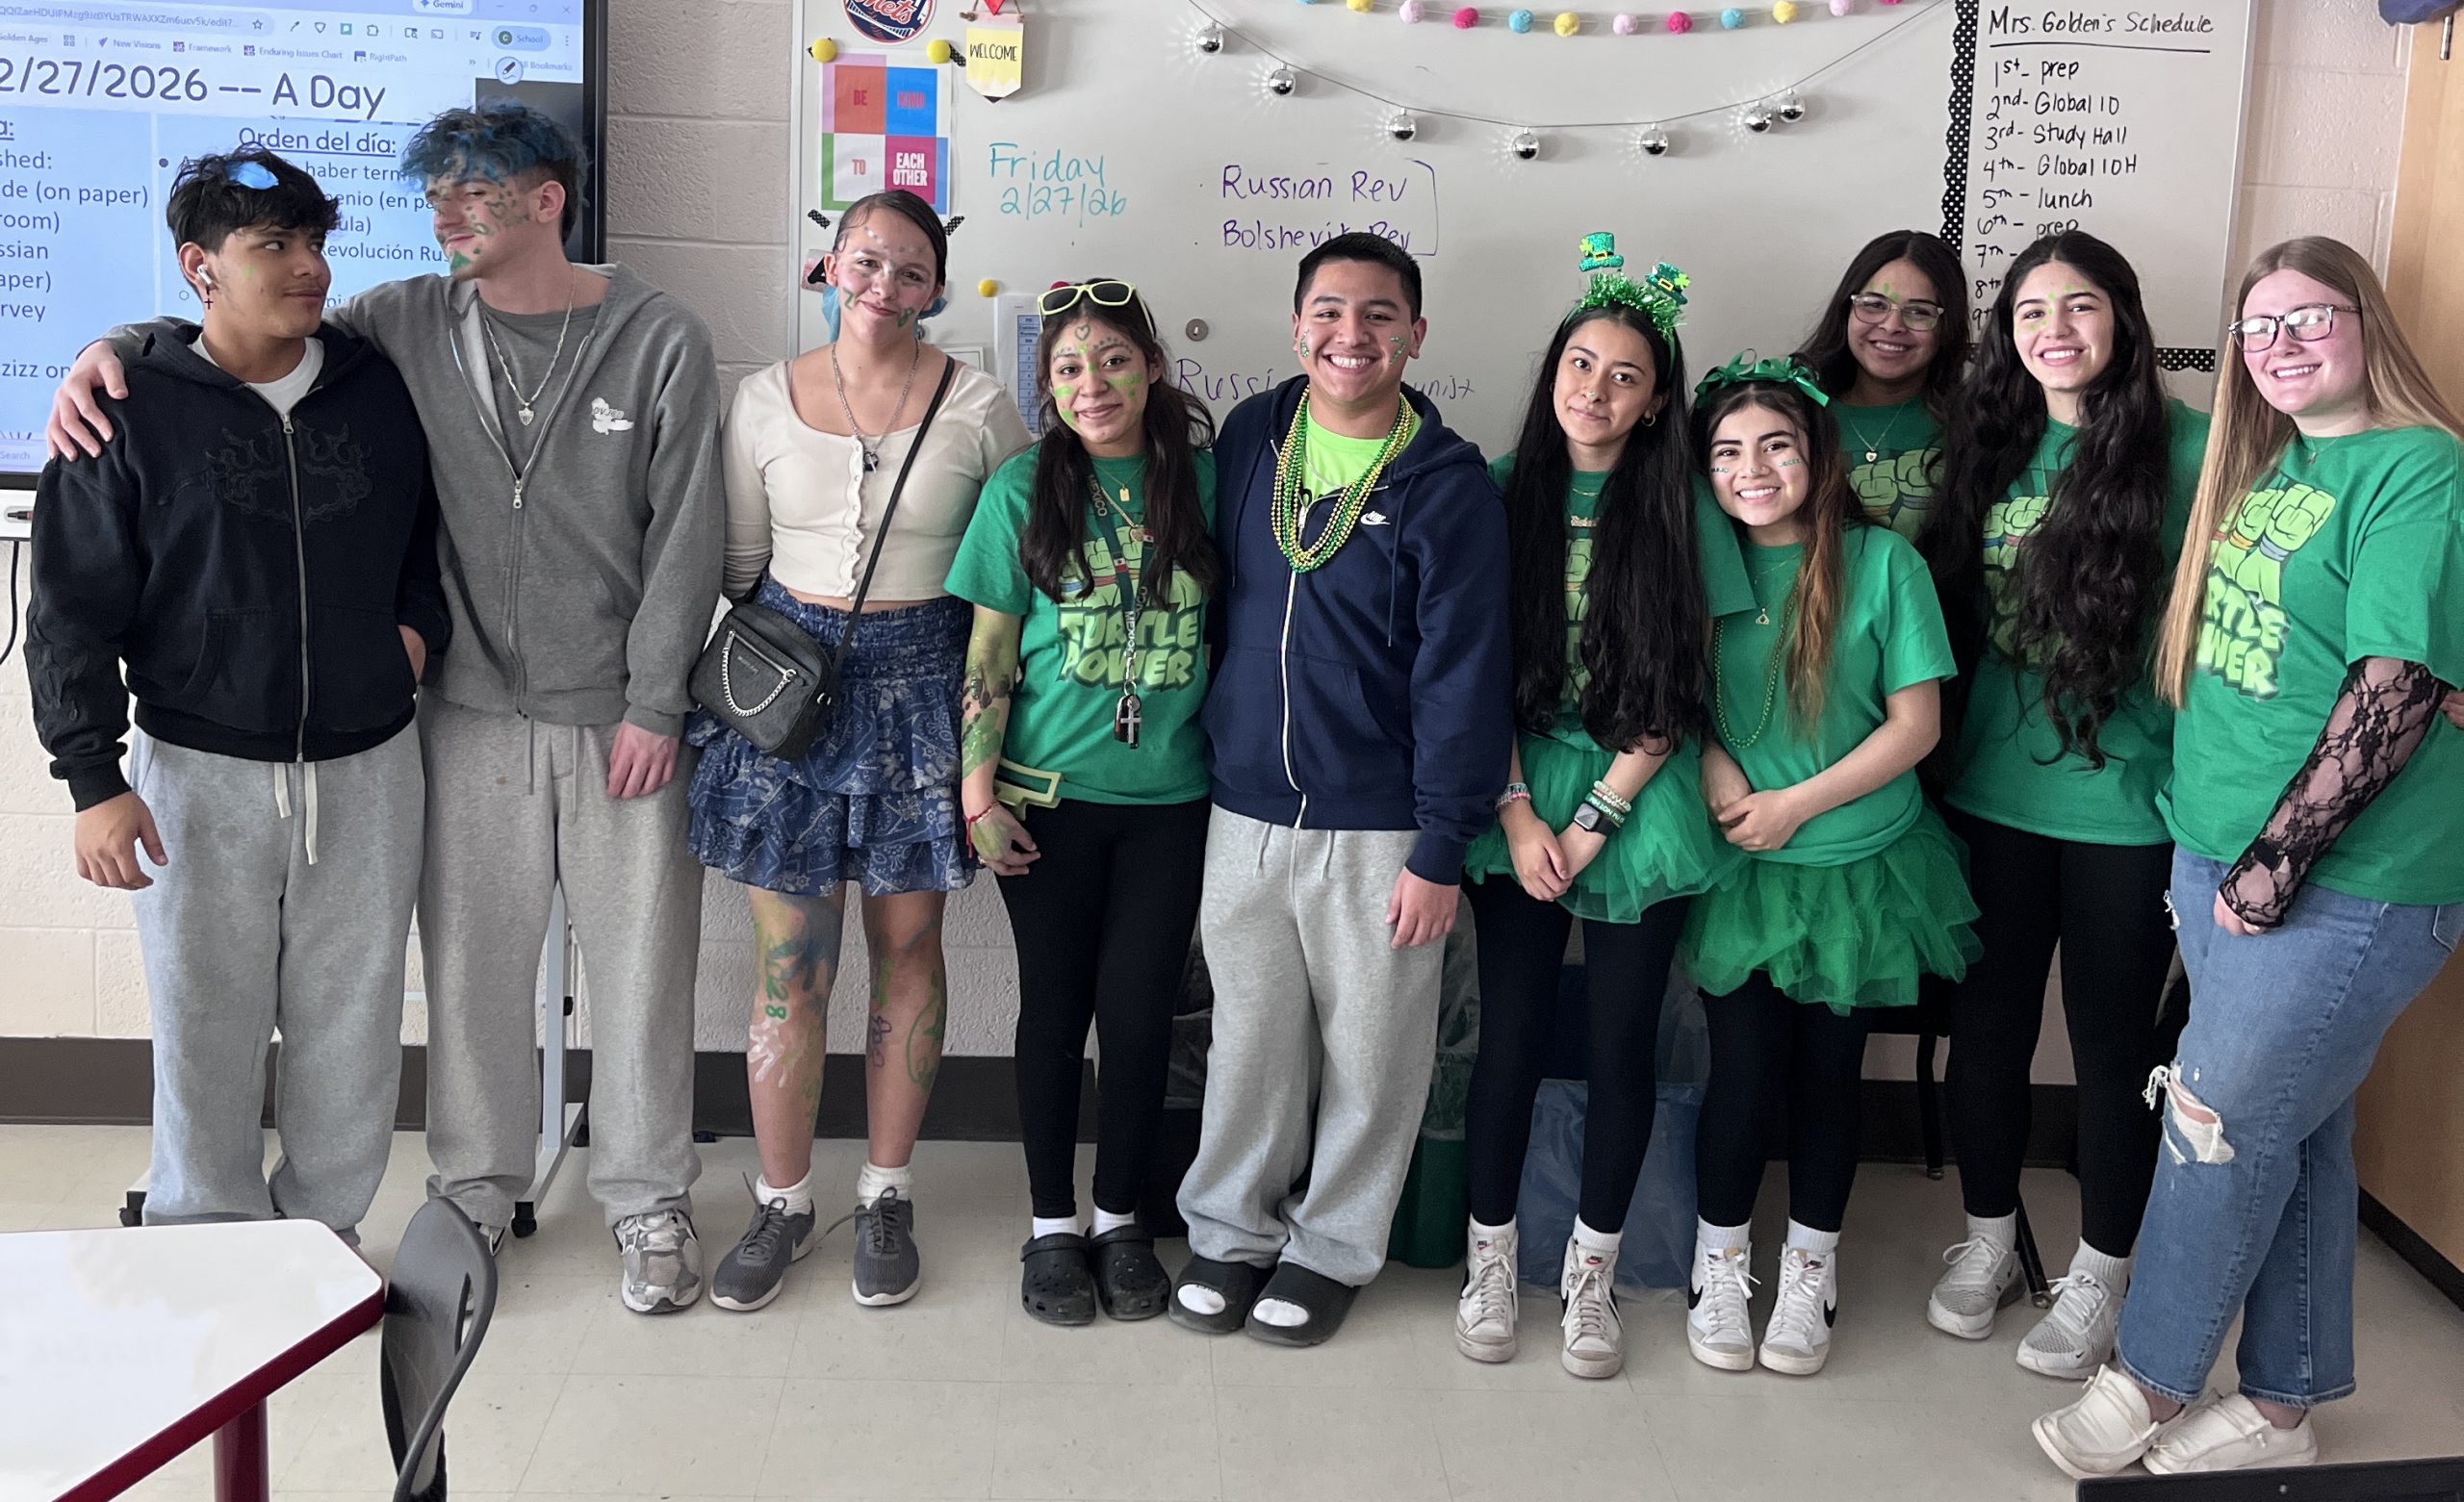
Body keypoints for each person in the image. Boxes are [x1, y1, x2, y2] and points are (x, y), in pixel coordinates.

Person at [50, 101, 726, 1312]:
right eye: (434, 198)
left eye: (472, 192)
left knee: (608, 977)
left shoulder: (640, 337)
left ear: (545, 198)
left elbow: (687, 536)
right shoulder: (398, 324)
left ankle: (641, 1200)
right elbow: (211, 343)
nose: (445, 216)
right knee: (458, 980)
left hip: (582, 722)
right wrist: (103, 346)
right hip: (420, 725)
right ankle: (461, 1194)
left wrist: (654, 699)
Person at [2033, 238, 2464, 1478]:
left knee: (2214, 1126)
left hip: (2339, 883)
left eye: (2306, 319)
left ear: (2366, 322)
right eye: (2256, 330)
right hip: (2214, 854)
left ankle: (2151, 1377)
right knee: (2298, 1132)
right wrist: (2214, 847)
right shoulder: (2276, 460)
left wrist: (2276, 862)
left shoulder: (2417, 468)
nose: (2278, 347)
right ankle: (2284, 1404)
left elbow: (2395, 681)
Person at [26, 149, 446, 1243]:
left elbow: (422, 540)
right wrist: (90, 779)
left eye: (315, 244)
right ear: (199, 269)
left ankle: (323, 1233)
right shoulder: (126, 404)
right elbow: (69, 606)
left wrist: (410, 639)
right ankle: (204, 1237)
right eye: (275, 247)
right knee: (206, 1017)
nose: (308, 269)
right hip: (196, 767)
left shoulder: (372, 382)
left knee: (348, 1021)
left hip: (368, 758)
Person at [690, 189, 1032, 1313]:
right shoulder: (760, 399)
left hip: (925, 689)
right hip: (791, 692)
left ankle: (886, 1192)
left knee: (908, 954)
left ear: (937, 289)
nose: (884, 284)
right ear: (828, 266)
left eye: (910, 269)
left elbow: (1013, 573)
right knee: (790, 970)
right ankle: (782, 1199)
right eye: (865, 261)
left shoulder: (983, 406)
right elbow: (739, 564)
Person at [1168, 232, 1512, 1348]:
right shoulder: (1254, 434)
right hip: (1245, 807)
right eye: (1327, 311)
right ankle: (1229, 1228)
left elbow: (1465, 678)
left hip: (1383, 825)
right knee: (1252, 1039)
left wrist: (1440, 848)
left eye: (1376, 315)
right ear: (1295, 321)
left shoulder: (1448, 487)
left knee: (1372, 1052)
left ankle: (1332, 1249)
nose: (1349, 335)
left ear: (1416, 334)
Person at [1452, 239, 1749, 1379]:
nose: (1595, 390)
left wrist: (1591, 824)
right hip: (1513, 787)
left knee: (1623, 1044)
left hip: (1637, 791)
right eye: (1581, 364)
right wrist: (1523, 815)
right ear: (1552, 372)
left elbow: (1681, 682)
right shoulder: (1493, 487)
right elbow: (1465, 670)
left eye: (1624, 374)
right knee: (1509, 1040)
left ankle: (1592, 1273)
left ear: (1656, 396)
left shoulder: (1680, 506)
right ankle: (1491, 1260)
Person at [1925, 232, 2209, 1374]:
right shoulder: (1986, 448)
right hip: (1989, 795)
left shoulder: (2188, 450)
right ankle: (1988, 1238)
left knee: (2106, 1047)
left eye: (2079, 305)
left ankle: (2100, 1272)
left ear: (2123, 321)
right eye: (2031, 309)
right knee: (1984, 1034)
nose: (2054, 328)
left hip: (2128, 809)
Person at [1679, 354, 1980, 1378]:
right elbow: (1673, 700)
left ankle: (1811, 1266)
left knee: (1828, 1077)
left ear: (1817, 455)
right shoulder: (1695, 562)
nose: (1751, 468)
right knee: (1742, 1074)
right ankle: (1719, 1260)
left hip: (1859, 860)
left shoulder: (1880, 563)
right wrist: (1721, 772)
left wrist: (1796, 804)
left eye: (1774, 446)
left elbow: (1916, 724)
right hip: (1744, 869)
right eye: (1726, 451)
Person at [945, 280, 1219, 1326]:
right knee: (1055, 1011)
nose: (1090, 384)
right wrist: (976, 792)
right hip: (1044, 798)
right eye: (1066, 367)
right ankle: (1053, 1224)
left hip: (1171, 799)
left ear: (1150, 366)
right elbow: (989, 651)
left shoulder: (1201, 480)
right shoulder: (1023, 488)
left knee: (1141, 1013)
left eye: (1111, 359)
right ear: (1046, 388)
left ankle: (1120, 1218)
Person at [1793, 230, 1971, 542]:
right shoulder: (1796, 413)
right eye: (1874, 305)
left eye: (1919, 312)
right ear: (1846, 309)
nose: (1891, 326)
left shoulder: (1975, 427)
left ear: (1946, 327)